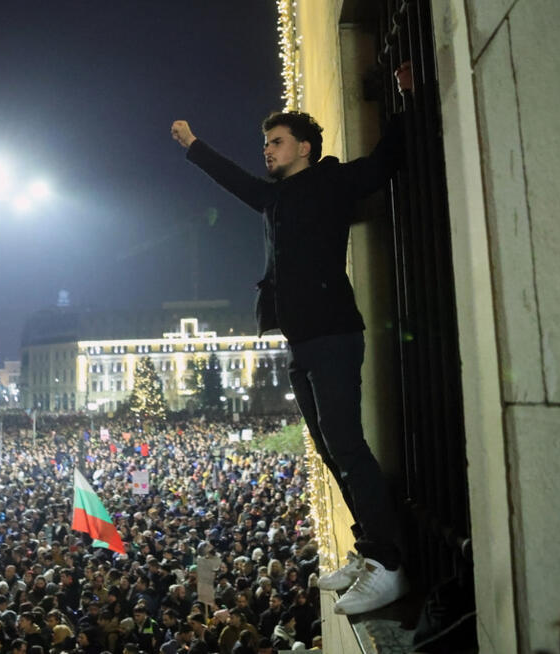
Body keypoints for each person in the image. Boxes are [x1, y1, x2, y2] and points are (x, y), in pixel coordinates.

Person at [170, 61, 414, 616]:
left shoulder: (329, 181)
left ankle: (390, 564)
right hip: (300, 342)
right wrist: (194, 145)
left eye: (276, 142)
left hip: (332, 333)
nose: (267, 150)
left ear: (304, 147)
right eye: (265, 143)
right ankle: (368, 548)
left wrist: (406, 95)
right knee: (331, 451)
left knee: (349, 447)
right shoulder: (274, 199)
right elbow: (235, 181)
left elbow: (384, 164)